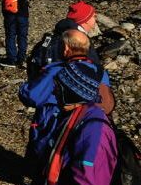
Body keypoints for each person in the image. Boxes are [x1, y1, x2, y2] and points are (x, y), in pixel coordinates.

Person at [29, 61, 117, 185]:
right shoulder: (77, 117)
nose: (55, 92)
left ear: (73, 92)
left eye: (59, 88)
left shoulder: (93, 132)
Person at [20, 30, 115, 165]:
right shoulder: (100, 72)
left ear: (65, 48)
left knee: (48, 160)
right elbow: (106, 103)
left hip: (54, 123)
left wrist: (26, 86)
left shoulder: (55, 70)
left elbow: (32, 97)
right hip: (89, 123)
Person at [28, 1, 103, 80]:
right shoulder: (79, 39)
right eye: (94, 16)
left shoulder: (55, 34)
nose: (95, 19)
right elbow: (93, 67)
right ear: (86, 20)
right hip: (64, 86)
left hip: (42, 83)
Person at [1, 0, 33, 66]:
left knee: (10, 36)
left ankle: (11, 59)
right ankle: (21, 59)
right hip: (22, 15)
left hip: (9, 14)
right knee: (22, 36)